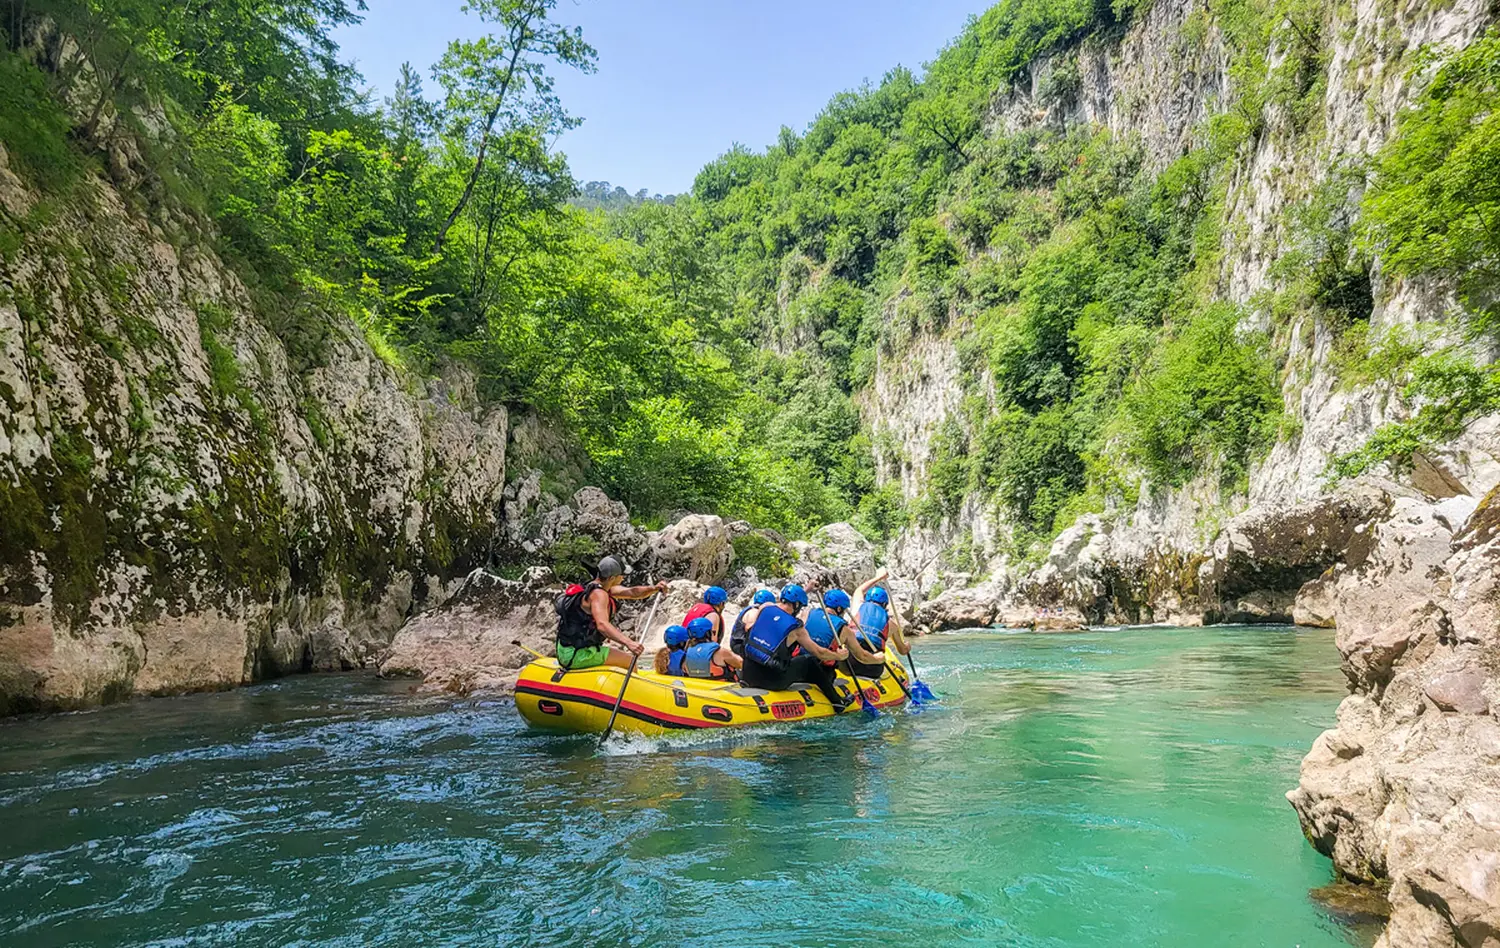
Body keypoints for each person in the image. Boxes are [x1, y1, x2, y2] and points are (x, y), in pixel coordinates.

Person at [739, 584, 853, 709]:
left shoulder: (765, 608)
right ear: (797, 605)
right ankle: (837, 702)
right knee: (809, 660)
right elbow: (820, 653)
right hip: (772, 681)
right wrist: (838, 656)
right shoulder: (796, 629)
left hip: (747, 673)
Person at [555, 556, 667, 670]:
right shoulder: (599, 595)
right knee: (630, 662)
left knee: (619, 657)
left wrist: (653, 588)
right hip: (576, 655)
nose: (623, 578)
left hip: (566, 650)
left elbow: (632, 592)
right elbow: (602, 625)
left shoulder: (595, 587)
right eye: (621, 575)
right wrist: (629, 643)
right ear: (612, 578)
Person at [853, 570, 910, 676]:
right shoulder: (892, 624)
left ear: (866, 599)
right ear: (884, 604)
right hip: (873, 669)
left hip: (850, 662)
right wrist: (907, 646)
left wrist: (878, 577)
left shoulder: (857, 608)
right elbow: (903, 651)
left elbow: (859, 590)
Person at [680, 616, 743, 681]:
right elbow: (741, 663)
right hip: (722, 686)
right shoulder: (720, 652)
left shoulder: (687, 653)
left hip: (698, 686)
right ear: (708, 633)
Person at [729, 589, 776, 658]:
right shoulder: (753, 612)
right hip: (739, 644)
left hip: (740, 643)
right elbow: (749, 628)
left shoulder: (753, 609)